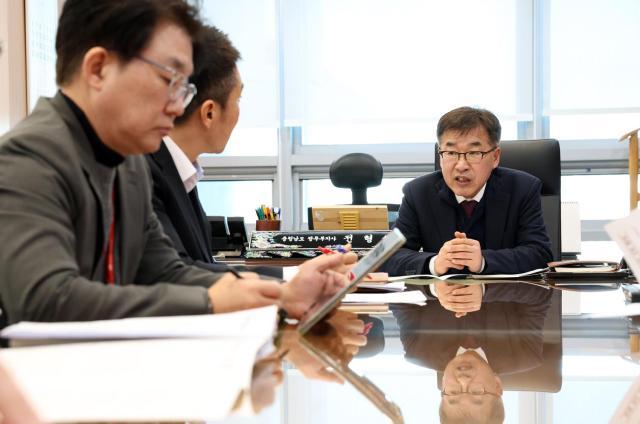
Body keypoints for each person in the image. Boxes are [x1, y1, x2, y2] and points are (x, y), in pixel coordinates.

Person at [0, 0, 355, 326]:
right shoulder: (28, 158)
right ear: (98, 69)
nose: (177, 106)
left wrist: (283, 294)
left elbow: (167, 272)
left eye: (185, 87)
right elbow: (46, 300)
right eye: (170, 80)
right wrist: (210, 301)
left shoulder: (129, 165)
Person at [382, 106, 553, 315]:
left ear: (495, 157)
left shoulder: (523, 189)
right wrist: (434, 263)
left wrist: (482, 261)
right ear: (440, 155)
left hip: (503, 317)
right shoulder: (417, 193)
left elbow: (539, 254)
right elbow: (387, 256)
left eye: (473, 153)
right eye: (451, 153)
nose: (461, 165)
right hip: (440, 319)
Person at [145, 25, 283, 279]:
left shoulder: (180, 170)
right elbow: (178, 274)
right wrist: (287, 283)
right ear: (209, 112)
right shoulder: (145, 173)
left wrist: (289, 278)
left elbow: (201, 266)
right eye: (237, 99)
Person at [393, 285, 555, 424]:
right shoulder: (524, 352)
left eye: (453, 392)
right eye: (477, 392)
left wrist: (433, 289)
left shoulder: (418, 350)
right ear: (497, 386)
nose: (463, 379)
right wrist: (484, 289)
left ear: (443, 387)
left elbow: (396, 292)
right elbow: (541, 291)